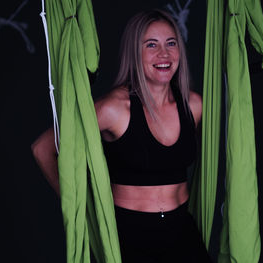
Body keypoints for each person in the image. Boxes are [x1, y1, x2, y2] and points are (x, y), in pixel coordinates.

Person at [32, 9, 211, 263]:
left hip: (182, 231)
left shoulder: (194, 106)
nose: (164, 54)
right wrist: (77, 204)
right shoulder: (114, 108)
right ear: (135, 53)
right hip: (130, 237)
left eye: (171, 43)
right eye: (152, 45)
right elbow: (43, 148)